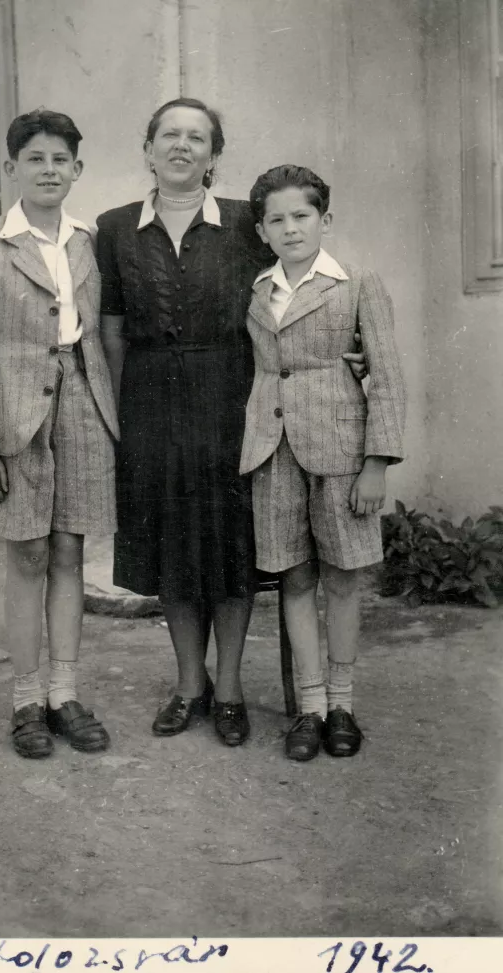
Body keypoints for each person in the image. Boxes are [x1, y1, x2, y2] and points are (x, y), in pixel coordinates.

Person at [97, 99, 367, 747]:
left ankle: (230, 691)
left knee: (231, 549)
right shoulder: (114, 227)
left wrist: (344, 350)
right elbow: (111, 330)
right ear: (148, 148)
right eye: (169, 135)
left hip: (235, 401)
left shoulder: (247, 221)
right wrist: (122, 414)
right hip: (151, 403)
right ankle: (189, 685)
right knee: (173, 550)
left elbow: (300, 286)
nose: (182, 146)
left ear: (214, 154)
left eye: (197, 137)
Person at [0, 110, 119, 759]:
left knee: (70, 551)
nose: (49, 170)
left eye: (60, 160)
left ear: (77, 170)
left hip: (81, 407)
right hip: (15, 419)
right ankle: (25, 700)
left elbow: (101, 332)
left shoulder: (88, 240)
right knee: (26, 555)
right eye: (35, 159)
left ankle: (64, 693)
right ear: (11, 168)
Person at [241, 164, 406, 761]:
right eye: (277, 220)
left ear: (324, 219)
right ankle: (309, 707)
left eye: (302, 216)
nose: (290, 228)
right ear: (262, 231)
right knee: (293, 576)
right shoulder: (258, 289)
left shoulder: (356, 282)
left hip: (341, 450)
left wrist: (376, 462)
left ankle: (341, 704)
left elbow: (386, 376)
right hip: (272, 449)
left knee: (341, 576)